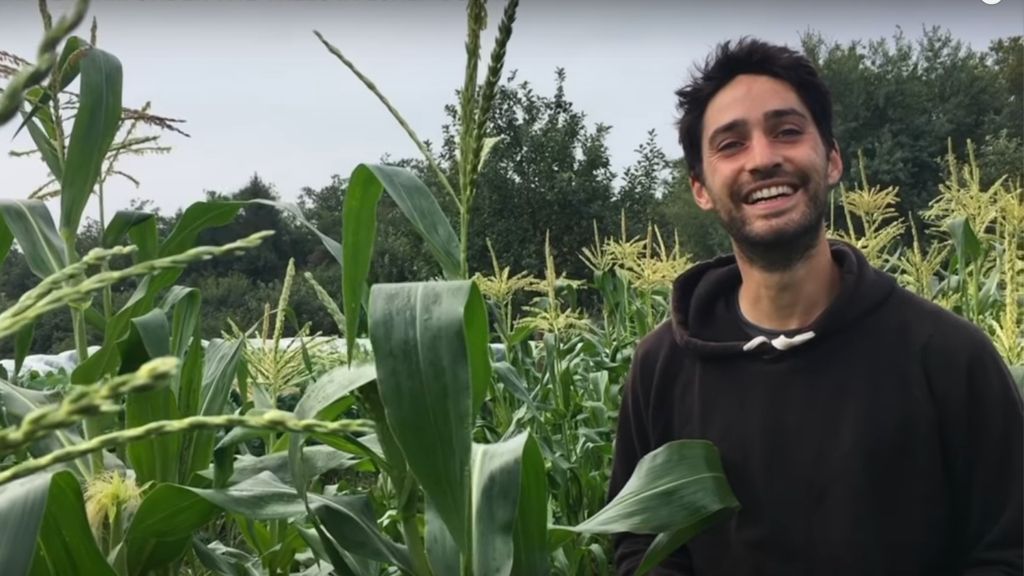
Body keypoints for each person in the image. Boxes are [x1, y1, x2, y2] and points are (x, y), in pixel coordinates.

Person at [607, 37, 1023, 575]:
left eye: (787, 131)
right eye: (730, 144)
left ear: (830, 160)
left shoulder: (947, 355)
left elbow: (1009, 550)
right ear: (701, 188)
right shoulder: (662, 367)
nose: (763, 158)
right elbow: (641, 547)